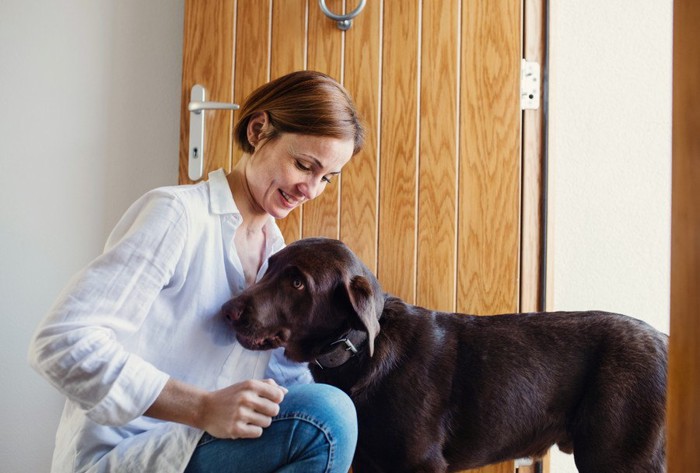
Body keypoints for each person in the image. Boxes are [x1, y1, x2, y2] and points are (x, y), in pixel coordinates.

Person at [28, 70, 365, 473]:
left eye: (326, 177)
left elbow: (285, 387)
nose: (310, 190)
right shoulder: (177, 215)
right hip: (124, 457)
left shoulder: (278, 256)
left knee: (335, 409)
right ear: (258, 130)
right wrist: (202, 407)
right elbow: (60, 342)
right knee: (327, 416)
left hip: (200, 448)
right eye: (303, 164)